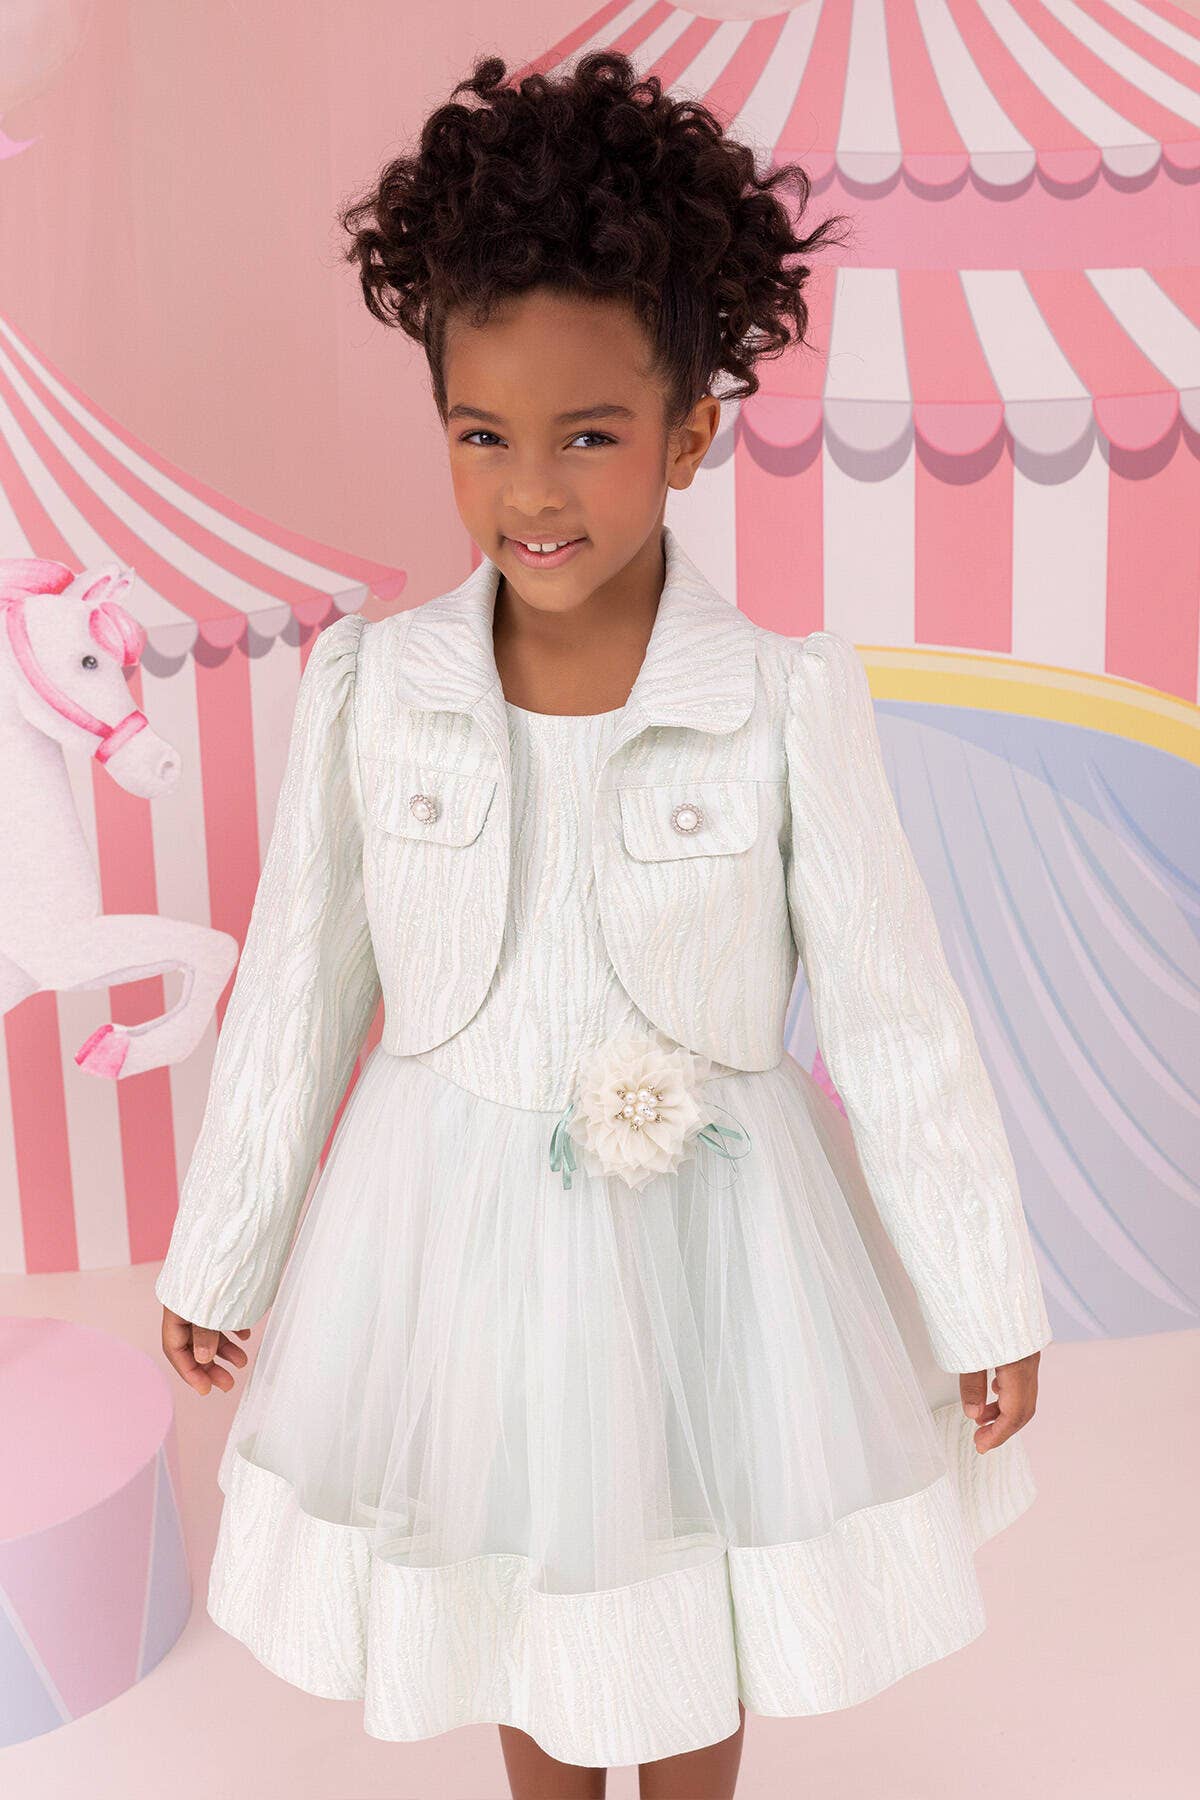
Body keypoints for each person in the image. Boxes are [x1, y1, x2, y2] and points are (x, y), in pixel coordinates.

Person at [155, 48, 1052, 1800]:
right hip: (452, 1235)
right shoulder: (376, 692)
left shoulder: (781, 699)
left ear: (690, 434)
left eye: (590, 435)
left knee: (683, 1581)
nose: (533, 494)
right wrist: (223, 1253)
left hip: (715, 1243)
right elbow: (300, 994)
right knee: (524, 1573)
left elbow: (897, 1020)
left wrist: (979, 1289)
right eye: (482, 437)